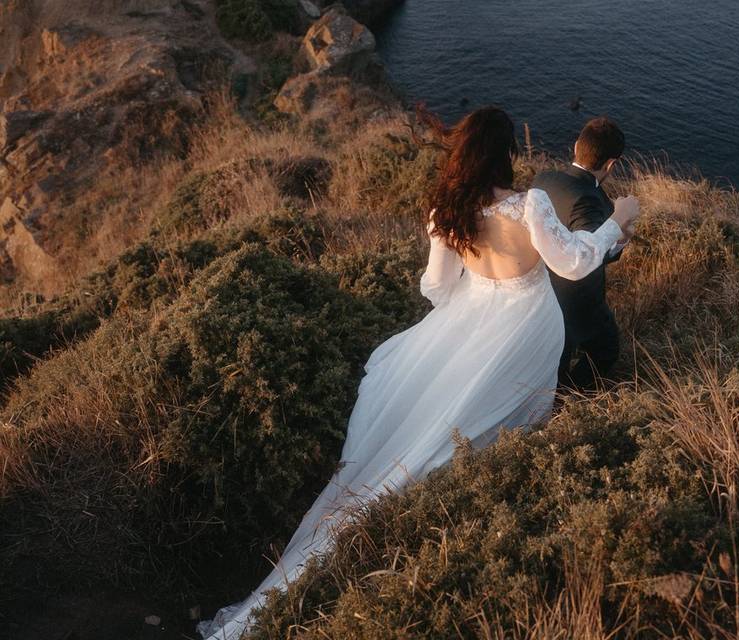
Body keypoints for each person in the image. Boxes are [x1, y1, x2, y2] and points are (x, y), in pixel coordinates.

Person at [197, 107, 641, 640]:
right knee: (494, 418)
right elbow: (572, 261)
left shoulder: (447, 207)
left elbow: (435, 286)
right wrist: (618, 219)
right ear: (505, 155)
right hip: (527, 326)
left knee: (441, 417)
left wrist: (473, 300)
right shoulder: (529, 206)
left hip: (475, 317)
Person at [533, 117, 638, 391]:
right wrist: (620, 237)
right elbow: (590, 255)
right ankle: (567, 398)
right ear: (612, 164)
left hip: (537, 287)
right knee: (606, 349)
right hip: (576, 300)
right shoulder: (592, 200)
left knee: (553, 360)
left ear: (577, 145)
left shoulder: (544, 178)